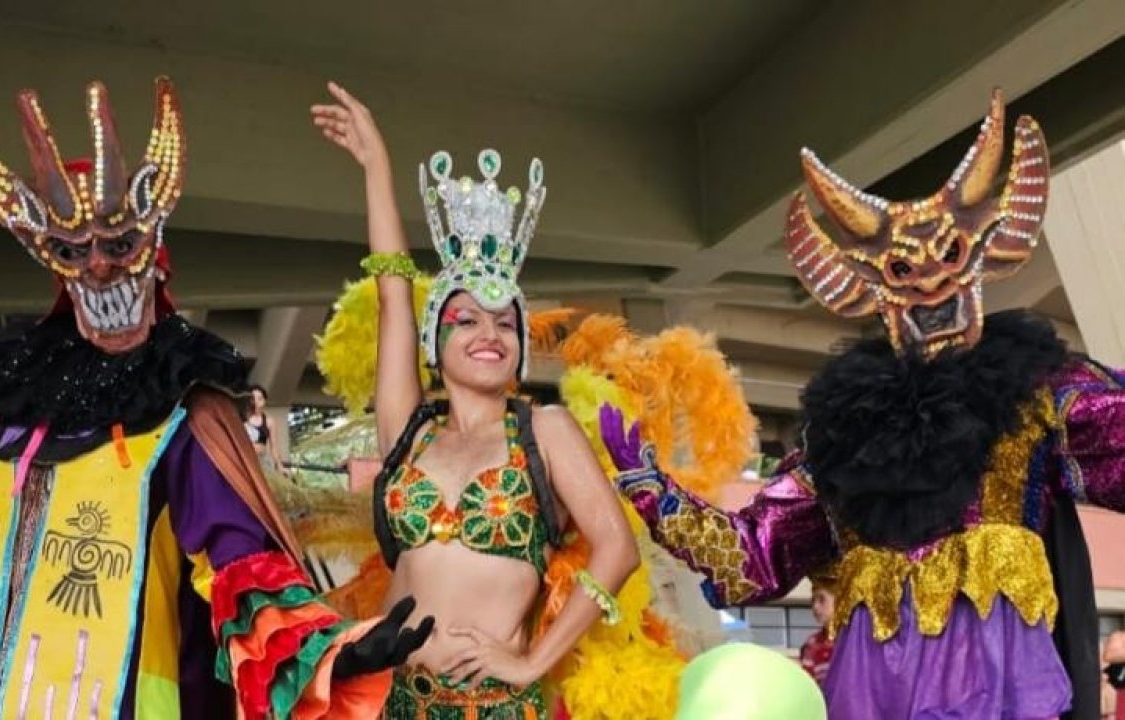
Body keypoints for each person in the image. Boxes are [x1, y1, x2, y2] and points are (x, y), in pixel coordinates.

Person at [0, 77, 431, 719]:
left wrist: (326, 653)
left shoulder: (182, 416)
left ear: (154, 257)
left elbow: (241, 568)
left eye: (119, 245)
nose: (98, 266)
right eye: (74, 250)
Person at [602, 90, 1125, 719]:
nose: (931, 281)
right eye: (903, 271)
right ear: (873, 288)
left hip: (1000, 689)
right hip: (877, 687)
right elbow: (753, 555)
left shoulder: (1038, 393)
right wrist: (651, 489)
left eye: (950, 257)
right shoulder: (848, 438)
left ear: (982, 257)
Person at [312, 81, 639, 717]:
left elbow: (617, 548)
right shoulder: (409, 432)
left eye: (506, 322)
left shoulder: (544, 430)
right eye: (467, 319)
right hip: (393, 701)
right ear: (435, 339)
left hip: (495, 707)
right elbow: (390, 295)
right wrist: (377, 166)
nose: (489, 333)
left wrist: (532, 661)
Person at [244, 385, 288, 477]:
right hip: (246, 461)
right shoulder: (242, 419)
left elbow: (274, 447)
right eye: (253, 398)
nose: (256, 402)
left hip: (263, 462)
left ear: (264, 401)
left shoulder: (269, 421)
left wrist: (280, 466)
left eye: (260, 399)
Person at [798, 578, 835, 685]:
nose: (815, 606)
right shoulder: (812, 644)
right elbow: (808, 685)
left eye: (822, 600)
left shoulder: (857, 640)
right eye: (813, 601)